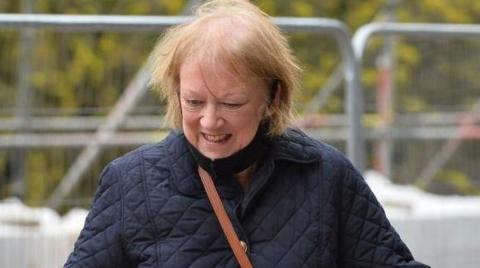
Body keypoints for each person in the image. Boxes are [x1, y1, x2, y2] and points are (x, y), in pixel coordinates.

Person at [65, 0, 429, 267]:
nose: (209, 121)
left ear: (273, 97)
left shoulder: (326, 175)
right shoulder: (131, 183)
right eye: (193, 101)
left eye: (231, 104)